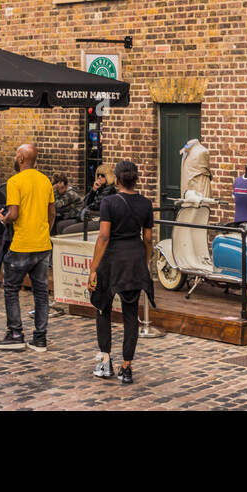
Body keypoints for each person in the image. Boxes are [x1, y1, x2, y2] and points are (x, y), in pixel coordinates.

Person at [88, 160, 155, 384]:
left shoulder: (109, 203)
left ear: (117, 179)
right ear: (136, 179)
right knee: (130, 314)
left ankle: (105, 361)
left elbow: (104, 236)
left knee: (102, 307)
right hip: (134, 258)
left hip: (112, 260)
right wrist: (144, 261)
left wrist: (93, 268)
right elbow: (148, 238)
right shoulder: (146, 204)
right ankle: (126, 367)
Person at [0, 144, 55, 352]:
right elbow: (52, 213)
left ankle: (16, 334)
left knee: (11, 288)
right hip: (43, 244)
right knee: (41, 292)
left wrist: (3, 218)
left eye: (14, 154)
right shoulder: (45, 180)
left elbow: (14, 213)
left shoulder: (15, 181)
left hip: (22, 244)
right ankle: (40, 338)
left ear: (20, 158)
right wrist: (45, 231)